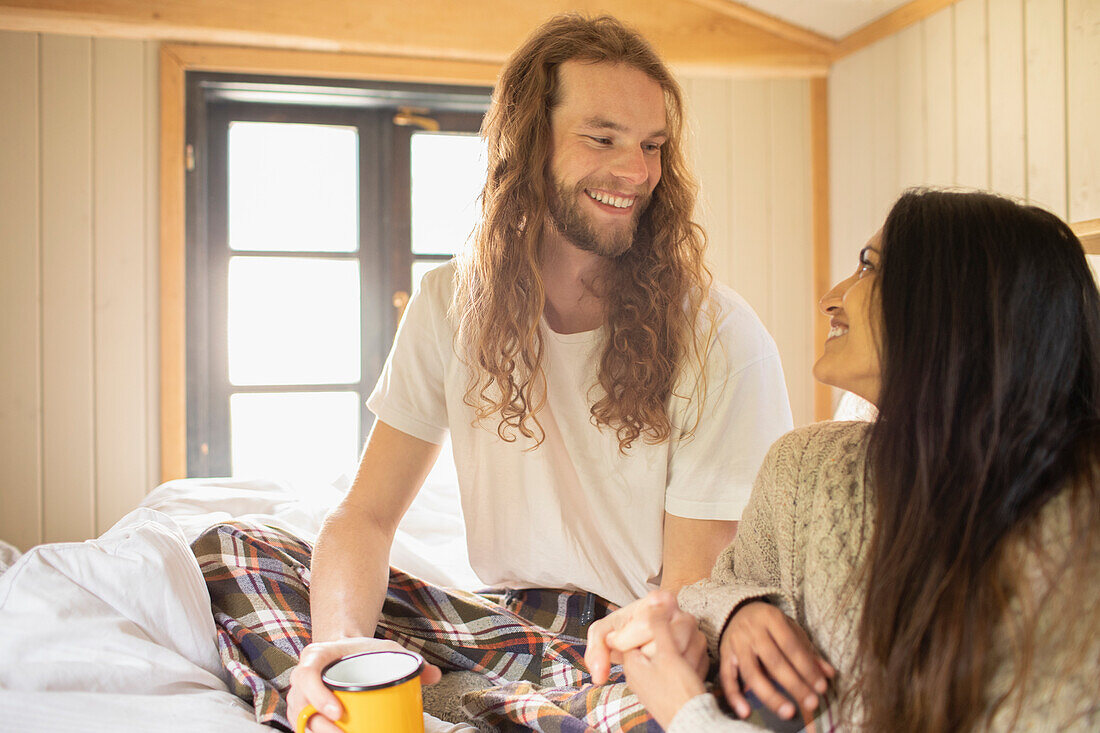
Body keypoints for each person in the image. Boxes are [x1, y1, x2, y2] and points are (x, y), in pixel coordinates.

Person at [237, 13, 793, 732]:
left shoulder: (721, 333)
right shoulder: (447, 303)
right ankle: (476, 703)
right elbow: (365, 517)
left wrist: (647, 663)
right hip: (508, 625)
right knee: (242, 553)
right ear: (529, 147)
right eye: (603, 138)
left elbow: (689, 597)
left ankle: (478, 706)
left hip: (633, 640)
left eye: (653, 146)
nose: (638, 171)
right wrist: (339, 644)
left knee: (708, 700)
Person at [586, 189, 1100, 731]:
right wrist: (739, 613)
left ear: (959, 300)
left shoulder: (1074, 533)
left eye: (868, 269)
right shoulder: (805, 464)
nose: (832, 298)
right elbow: (712, 589)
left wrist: (684, 709)